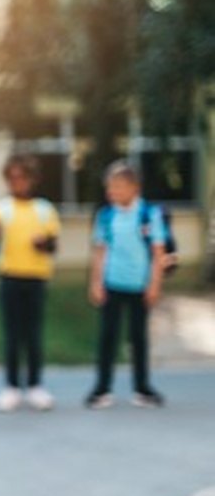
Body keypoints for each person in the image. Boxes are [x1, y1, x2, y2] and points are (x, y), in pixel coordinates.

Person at [0, 155, 61, 412]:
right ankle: (11, 387)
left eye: (22, 177)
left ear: (32, 179)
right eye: (12, 177)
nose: (18, 182)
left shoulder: (45, 209)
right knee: (12, 334)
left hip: (36, 276)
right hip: (9, 275)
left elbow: (53, 246)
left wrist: (43, 244)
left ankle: (36, 386)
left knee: (34, 333)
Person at [86, 160, 167, 409]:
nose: (113, 192)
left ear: (134, 187)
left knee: (138, 338)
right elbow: (100, 252)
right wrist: (95, 282)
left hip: (139, 285)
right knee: (107, 337)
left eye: (118, 187)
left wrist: (155, 284)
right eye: (110, 187)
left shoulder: (149, 214)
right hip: (112, 283)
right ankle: (102, 389)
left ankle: (142, 388)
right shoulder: (106, 215)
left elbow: (158, 252)